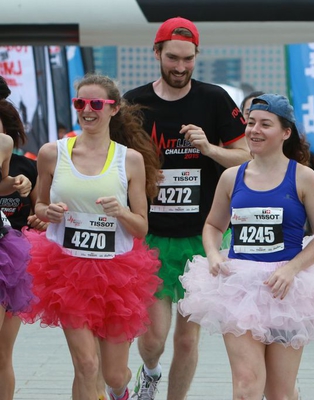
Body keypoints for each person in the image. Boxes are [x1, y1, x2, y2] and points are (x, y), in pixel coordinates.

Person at [178, 94, 314, 399]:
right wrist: (214, 254)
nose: (254, 130)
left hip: (286, 290)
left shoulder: (304, 177)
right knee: (246, 385)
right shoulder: (231, 177)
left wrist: (292, 269)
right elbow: (214, 225)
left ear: (286, 132)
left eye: (265, 124)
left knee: (279, 393)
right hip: (239, 289)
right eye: (251, 123)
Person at [122, 16, 250, 400]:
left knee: (188, 339)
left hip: (201, 236)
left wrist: (209, 149)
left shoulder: (214, 99)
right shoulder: (134, 102)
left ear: (197, 56)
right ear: (157, 53)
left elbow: (246, 157)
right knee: (154, 338)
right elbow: (111, 160)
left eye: (188, 59)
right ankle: (150, 372)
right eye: (173, 58)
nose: (180, 67)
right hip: (152, 235)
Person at [23, 73, 163, 400]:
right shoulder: (52, 153)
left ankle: (121, 391)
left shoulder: (129, 159)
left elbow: (141, 227)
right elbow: (39, 205)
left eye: (96, 103)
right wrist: (48, 212)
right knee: (86, 365)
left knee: (113, 374)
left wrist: (121, 212)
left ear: (113, 108)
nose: (87, 110)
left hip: (116, 273)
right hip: (66, 269)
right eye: (80, 103)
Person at [0, 95, 37, 400]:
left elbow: (40, 209)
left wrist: (18, 183)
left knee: (3, 353)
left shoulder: (6, 146)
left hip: (9, 256)